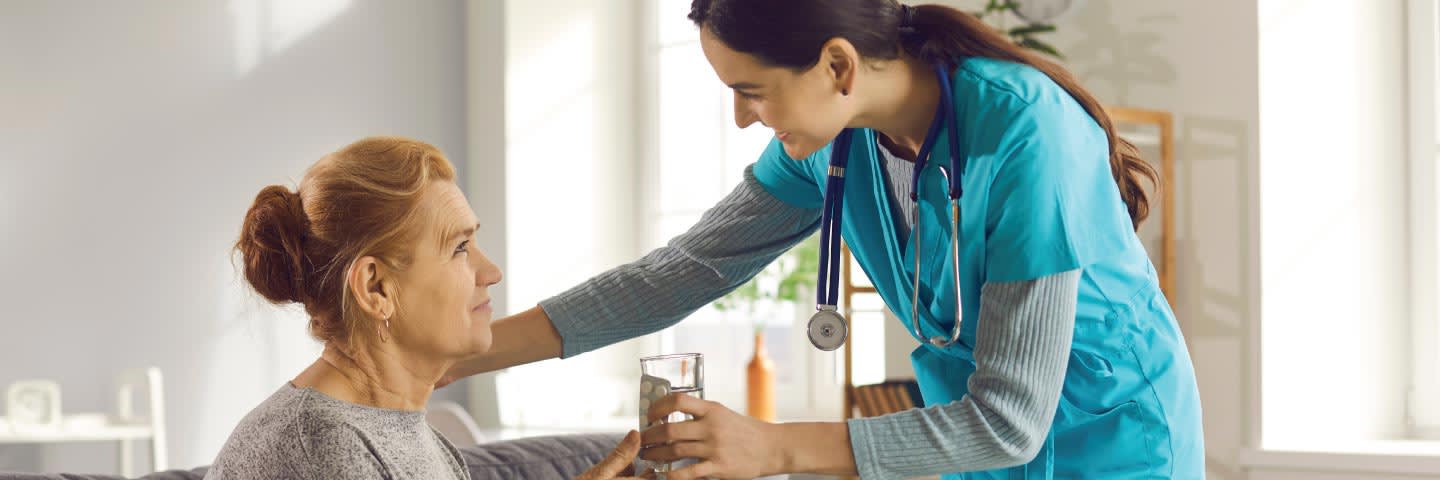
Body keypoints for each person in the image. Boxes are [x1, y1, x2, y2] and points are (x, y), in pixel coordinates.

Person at [440, 1, 1204, 478]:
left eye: (750, 91)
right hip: (980, 452)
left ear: (837, 64)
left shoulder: (1024, 131)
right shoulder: (839, 144)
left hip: (1115, 445)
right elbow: (682, 271)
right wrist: (459, 353)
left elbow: (1010, 418)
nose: (742, 118)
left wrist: (771, 448)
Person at [208, 137, 646, 480]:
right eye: (460, 248)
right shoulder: (324, 447)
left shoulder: (408, 435)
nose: (491, 271)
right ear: (376, 288)